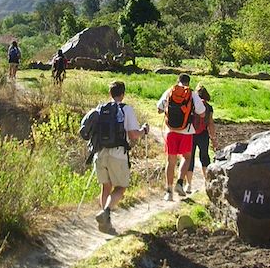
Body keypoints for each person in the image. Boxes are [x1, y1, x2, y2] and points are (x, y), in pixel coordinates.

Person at [80, 80, 148, 233]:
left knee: (106, 187)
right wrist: (144, 130)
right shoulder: (126, 109)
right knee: (120, 187)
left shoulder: (100, 109)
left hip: (99, 153)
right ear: (123, 94)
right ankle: (106, 212)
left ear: (110, 93)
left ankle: (105, 224)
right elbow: (133, 135)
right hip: (117, 154)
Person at [156, 73, 205, 201]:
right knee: (187, 157)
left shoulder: (170, 91)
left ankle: (169, 192)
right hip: (186, 131)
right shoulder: (192, 94)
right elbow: (202, 112)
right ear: (188, 82)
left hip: (171, 131)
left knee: (170, 161)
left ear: (177, 80)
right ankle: (180, 182)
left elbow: (159, 109)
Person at [184, 84, 216, 194]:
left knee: (190, 158)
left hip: (191, 134)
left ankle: (188, 185)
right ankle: (207, 182)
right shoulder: (209, 107)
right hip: (203, 134)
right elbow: (210, 123)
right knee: (204, 157)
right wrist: (213, 139)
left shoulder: (192, 105)